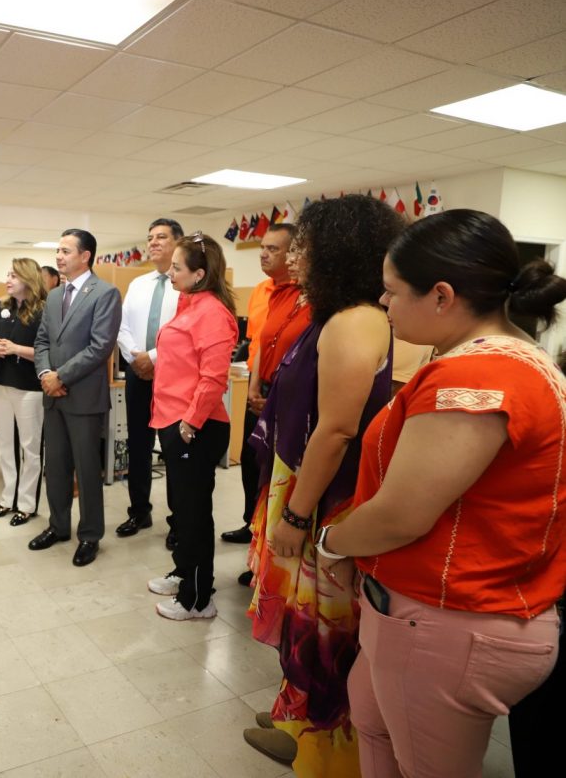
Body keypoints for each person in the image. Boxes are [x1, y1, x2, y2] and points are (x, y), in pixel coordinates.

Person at [313, 209, 566, 778]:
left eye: (393, 290)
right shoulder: (515, 356)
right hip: (430, 608)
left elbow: (402, 515)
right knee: (372, 719)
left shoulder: (474, 377)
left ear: (442, 296)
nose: (383, 302)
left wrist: (330, 542)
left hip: (450, 617)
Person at [243, 195, 401, 774]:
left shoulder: (354, 320)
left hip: (325, 497)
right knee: (300, 616)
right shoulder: (333, 316)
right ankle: (296, 712)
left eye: (304, 246)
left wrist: (296, 514)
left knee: (324, 625)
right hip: (303, 482)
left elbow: (335, 431)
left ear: (338, 251)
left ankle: (322, 744)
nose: (294, 257)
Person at [145, 234, 238, 620]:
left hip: (195, 426)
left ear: (199, 274)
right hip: (174, 420)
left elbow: (214, 378)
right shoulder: (188, 305)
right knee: (182, 509)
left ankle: (197, 599)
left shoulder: (212, 313)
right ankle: (185, 572)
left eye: (177, 267)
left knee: (195, 513)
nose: (170, 272)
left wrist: (189, 423)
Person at [29, 229, 122, 567]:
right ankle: (58, 526)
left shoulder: (106, 293)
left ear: (85, 256)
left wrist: (60, 376)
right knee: (55, 467)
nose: (59, 256)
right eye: (58, 250)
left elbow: (100, 347)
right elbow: (42, 341)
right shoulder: (55, 295)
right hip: (54, 396)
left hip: (83, 397)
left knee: (86, 470)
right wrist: (45, 375)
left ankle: (90, 535)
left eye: (66, 251)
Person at [222, 223, 295, 548]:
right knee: (250, 458)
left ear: (293, 254)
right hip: (258, 386)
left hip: (286, 393)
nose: (263, 254)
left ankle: (268, 538)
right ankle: (250, 524)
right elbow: (257, 344)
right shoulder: (261, 291)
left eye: (272, 249)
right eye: (262, 247)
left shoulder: (303, 296)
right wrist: (252, 387)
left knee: (274, 468)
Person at [114, 218, 183, 544]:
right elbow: (122, 325)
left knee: (172, 448)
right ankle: (139, 511)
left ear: (178, 242)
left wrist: (152, 358)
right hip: (137, 373)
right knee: (138, 445)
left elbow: (183, 332)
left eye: (161, 237)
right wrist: (136, 357)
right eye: (150, 237)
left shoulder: (187, 285)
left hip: (173, 375)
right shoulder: (139, 283)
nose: (153, 242)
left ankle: (177, 521)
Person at [0, 258, 48, 525]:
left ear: (28, 278)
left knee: (30, 448)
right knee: (4, 443)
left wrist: (15, 349)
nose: (7, 280)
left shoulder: (43, 311)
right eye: (7, 275)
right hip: (0, 382)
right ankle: (7, 498)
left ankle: (27, 504)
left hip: (28, 387)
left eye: (14, 275)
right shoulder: (2, 308)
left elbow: (47, 352)